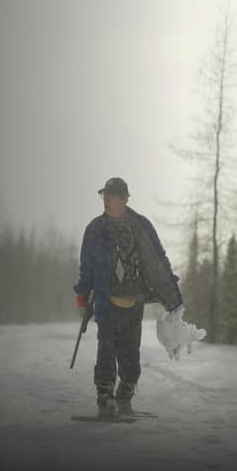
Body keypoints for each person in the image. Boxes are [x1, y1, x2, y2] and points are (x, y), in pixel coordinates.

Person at [73, 177, 183, 417]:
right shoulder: (95, 229)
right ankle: (105, 397)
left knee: (130, 354)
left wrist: (173, 295)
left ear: (124, 199)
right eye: (104, 196)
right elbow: (86, 267)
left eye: (111, 196)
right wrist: (82, 297)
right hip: (105, 301)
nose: (106, 200)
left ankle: (125, 396)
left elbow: (158, 260)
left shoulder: (141, 226)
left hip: (133, 303)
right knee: (106, 351)